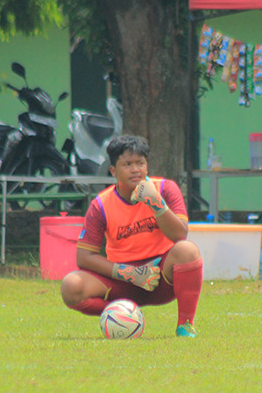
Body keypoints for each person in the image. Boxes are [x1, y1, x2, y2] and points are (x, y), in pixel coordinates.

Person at [60, 134, 203, 337]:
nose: (135, 169)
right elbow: (84, 257)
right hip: (123, 281)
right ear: (113, 171)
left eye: (140, 163)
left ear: (147, 166)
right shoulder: (100, 205)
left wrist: (157, 204)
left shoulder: (165, 189)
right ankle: (121, 316)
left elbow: (180, 235)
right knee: (70, 286)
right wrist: (129, 273)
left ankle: (185, 326)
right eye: (127, 164)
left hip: (161, 278)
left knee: (188, 250)